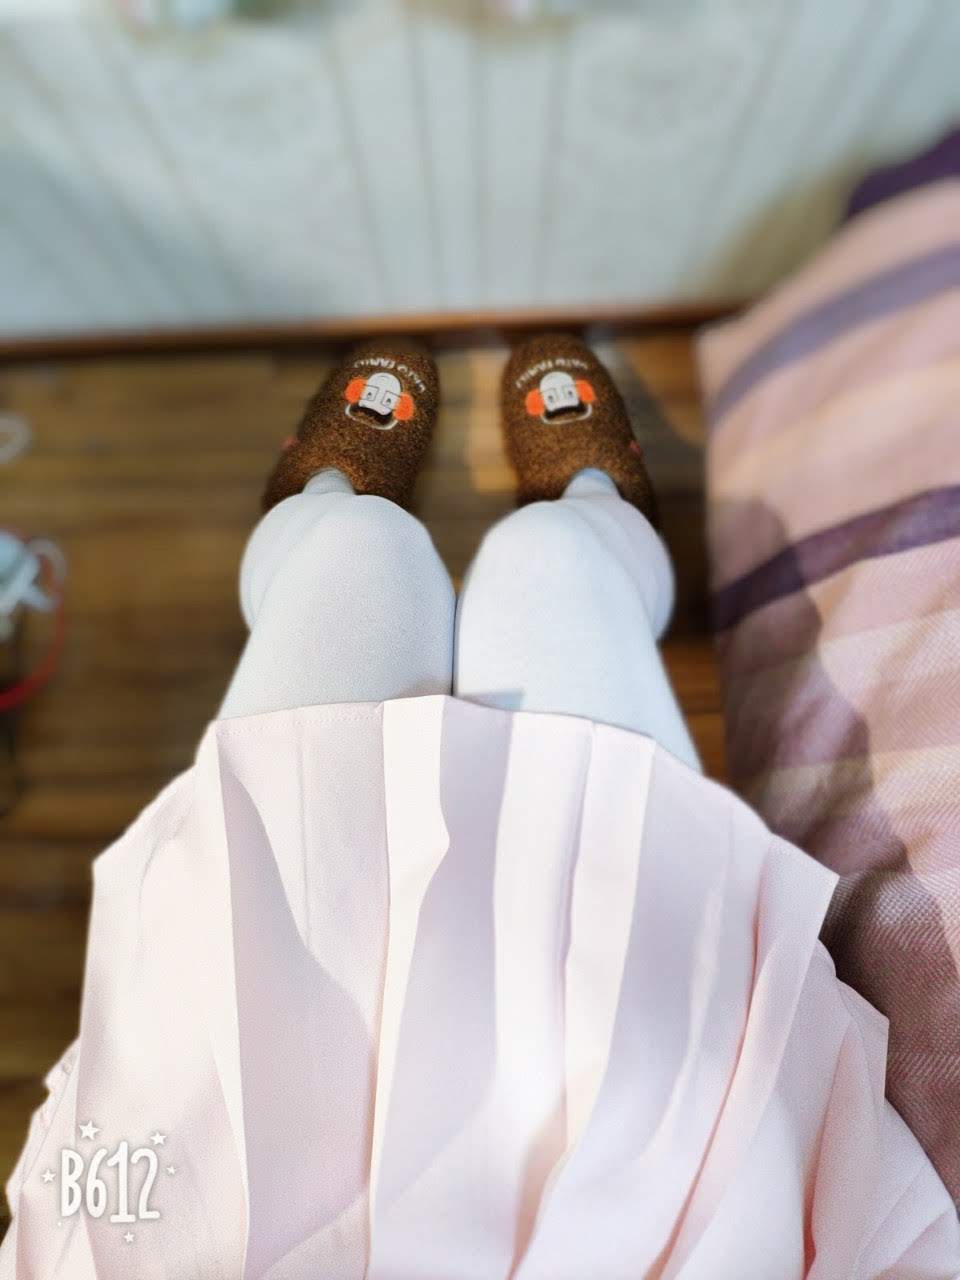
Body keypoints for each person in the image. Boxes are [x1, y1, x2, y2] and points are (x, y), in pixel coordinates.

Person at [2, 335, 957, 1279]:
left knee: (355, 558)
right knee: (550, 564)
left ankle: (321, 507)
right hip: (645, 1184)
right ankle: (597, 513)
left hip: (220, 1187)